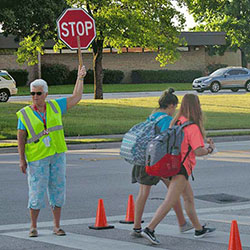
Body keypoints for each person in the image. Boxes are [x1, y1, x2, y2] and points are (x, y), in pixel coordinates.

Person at [16, 65, 86, 237]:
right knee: (36, 192)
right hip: (37, 158)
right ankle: (33, 226)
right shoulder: (24, 114)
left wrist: (80, 77)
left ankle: (57, 226)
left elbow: (76, 97)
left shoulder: (55, 106)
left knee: (57, 189)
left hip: (57, 155)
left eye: (39, 93)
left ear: (46, 94)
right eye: (32, 93)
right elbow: (21, 138)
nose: (35, 97)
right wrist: (22, 159)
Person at [141, 93, 216, 245]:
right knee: (170, 200)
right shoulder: (192, 127)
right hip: (181, 168)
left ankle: (198, 228)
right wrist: (210, 149)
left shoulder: (177, 121)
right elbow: (198, 151)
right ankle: (149, 229)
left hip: (172, 164)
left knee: (188, 198)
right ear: (197, 107)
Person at [131, 88, 193, 237]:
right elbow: (168, 141)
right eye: (175, 107)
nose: (175, 110)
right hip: (158, 162)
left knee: (146, 193)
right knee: (172, 192)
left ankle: (137, 226)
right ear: (171, 106)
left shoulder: (153, 115)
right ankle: (181, 223)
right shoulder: (166, 120)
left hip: (144, 159)